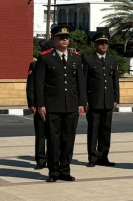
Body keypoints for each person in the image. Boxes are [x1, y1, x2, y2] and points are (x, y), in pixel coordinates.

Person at [35, 26, 86, 182]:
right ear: (55, 39)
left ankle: (65, 170)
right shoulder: (45, 58)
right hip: (52, 106)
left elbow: (80, 82)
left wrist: (82, 103)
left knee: (68, 140)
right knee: (53, 140)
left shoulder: (76, 58)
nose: (65, 40)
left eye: (66, 38)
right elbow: (39, 83)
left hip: (71, 105)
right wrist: (40, 104)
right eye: (61, 37)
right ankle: (54, 172)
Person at [83, 32, 120, 167]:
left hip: (108, 101)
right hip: (94, 101)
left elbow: (115, 81)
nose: (104, 45)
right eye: (101, 43)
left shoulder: (112, 60)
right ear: (95, 44)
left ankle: (103, 157)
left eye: (106, 43)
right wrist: (84, 100)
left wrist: (116, 98)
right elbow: (84, 82)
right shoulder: (88, 60)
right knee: (93, 131)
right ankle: (93, 158)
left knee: (106, 131)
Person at [26, 39, 54, 170]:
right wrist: (32, 103)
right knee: (41, 134)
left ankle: (53, 158)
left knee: (54, 134)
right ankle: (41, 160)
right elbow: (31, 86)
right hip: (39, 104)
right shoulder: (35, 65)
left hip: (54, 104)